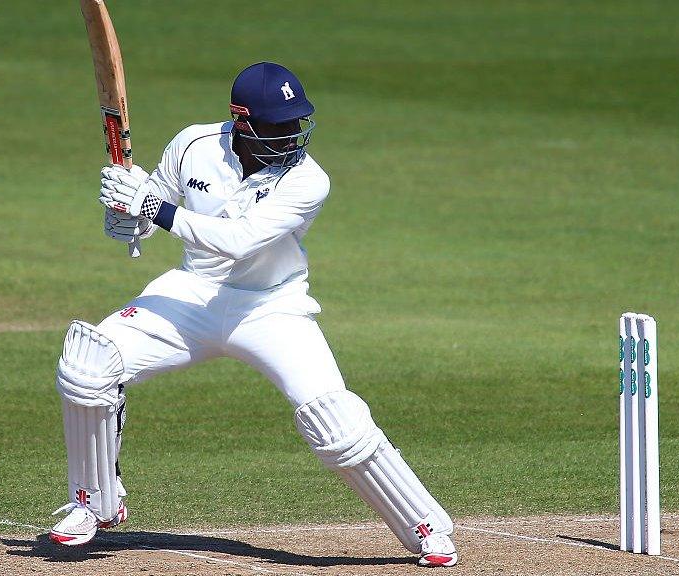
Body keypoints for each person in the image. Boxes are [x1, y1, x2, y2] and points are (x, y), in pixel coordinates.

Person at [47, 62, 458, 568]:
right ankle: (94, 504)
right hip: (192, 295)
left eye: (295, 123)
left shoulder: (308, 180)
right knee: (88, 365)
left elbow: (238, 241)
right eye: (278, 126)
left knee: (336, 423)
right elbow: (140, 228)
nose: (291, 136)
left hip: (271, 307)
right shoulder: (193, 145)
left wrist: (154, 209)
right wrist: (123, 210)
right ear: (242, 122)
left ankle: (427, 528)